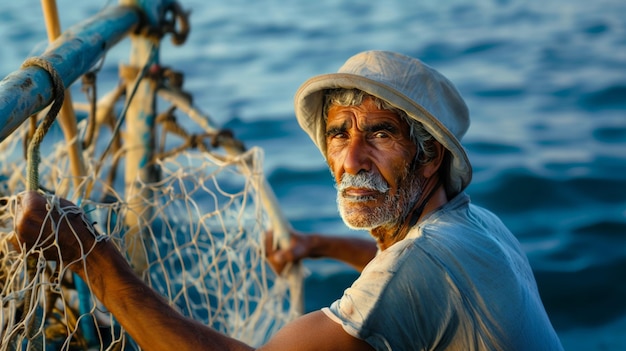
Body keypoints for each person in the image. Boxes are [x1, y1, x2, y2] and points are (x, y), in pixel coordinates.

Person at [13, 50, 564, 350]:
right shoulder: (476, 226)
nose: (350, 160)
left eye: (379, 134)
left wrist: (90, 254)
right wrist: (316, 245)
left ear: (429, 157)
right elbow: (406, 275)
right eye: (338, 133)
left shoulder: (419, 265)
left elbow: (406, 277)